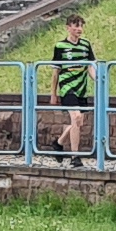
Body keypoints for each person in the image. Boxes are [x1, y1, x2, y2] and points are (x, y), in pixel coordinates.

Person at [49, 13, 98, 156]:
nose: (80, 29)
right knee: (76, 117)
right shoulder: (61, 46)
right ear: (68, 28)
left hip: (81, 88)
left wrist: (97, 78)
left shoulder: (85, 44)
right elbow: (55, 71)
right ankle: (75, 156)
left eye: (81, 26)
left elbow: (90, 66)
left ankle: (58, 143)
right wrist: (53, 93)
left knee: (79, 122)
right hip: (67, 87)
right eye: (76, 26)